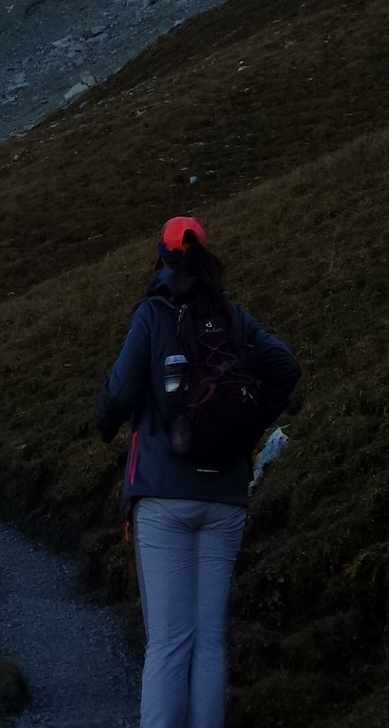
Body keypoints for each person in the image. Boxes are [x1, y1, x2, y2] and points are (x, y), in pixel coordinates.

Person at [94, 215, 299, 728]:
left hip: (163, 494)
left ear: (161, 259)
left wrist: (104, 423)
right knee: (209, 641)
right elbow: (285, 367)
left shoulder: (152, 314)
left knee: (168, 641)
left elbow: (118, 394)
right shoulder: (235, 319)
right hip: (226, 495)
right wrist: (249, 425)